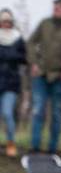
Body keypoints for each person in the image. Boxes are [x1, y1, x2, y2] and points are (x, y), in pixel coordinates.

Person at [28, 0, 61, 152]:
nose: (55, 11)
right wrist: (34, 62)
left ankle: (53, 147)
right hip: (41, 74)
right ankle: (35, 146)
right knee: (38, 110)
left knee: (57, 113)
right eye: (54, 8)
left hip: (60, 76)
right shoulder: (45, 23)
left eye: (59, 8)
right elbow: (31, 42)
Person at [0, 10, 26, 157]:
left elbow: (23, 58)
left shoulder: (18, 38)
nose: (6, 24)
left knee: (7, 113)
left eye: (8, 22)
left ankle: (11, 143)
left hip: (11, 83)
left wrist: (8, 55)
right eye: (4, 21)